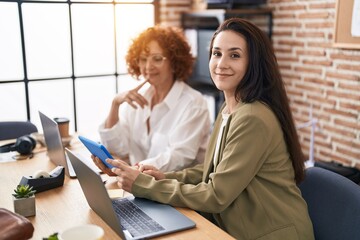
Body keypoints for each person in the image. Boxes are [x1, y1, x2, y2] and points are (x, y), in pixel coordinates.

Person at [105, 18, 315, 240]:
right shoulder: (230, 107)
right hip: (233, 226)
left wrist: (145, 186)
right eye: (216, 53)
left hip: (271, 234)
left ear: (253, 63)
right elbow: (212, 170)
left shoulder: (253, 118)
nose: (221, 64)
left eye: (234, 55)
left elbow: (216, 194)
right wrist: (162, 178)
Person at [96, 25, 211, 173]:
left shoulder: (194, 103)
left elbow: (178, 158)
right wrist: (115, 104)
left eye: (157, 59)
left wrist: (132, 171)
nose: (148, 66)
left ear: (174, 62)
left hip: (174, 189)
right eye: (143, 59)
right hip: (138, 185)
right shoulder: (139, 98)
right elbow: (118, 148)